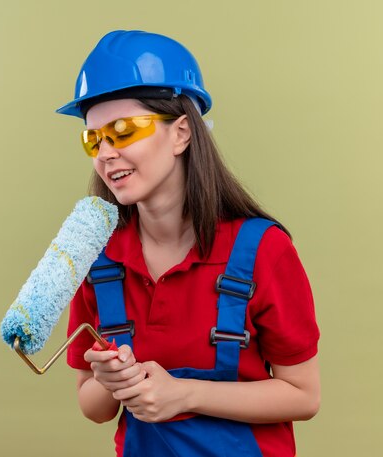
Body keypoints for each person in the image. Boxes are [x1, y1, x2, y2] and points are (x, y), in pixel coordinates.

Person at [59, 30, 320, 457]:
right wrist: (111, 381)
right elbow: (93, 406)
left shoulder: (263, 251)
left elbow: (304, 395)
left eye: (123, 130)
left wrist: (184, 395)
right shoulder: (99, 259)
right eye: (93, 138)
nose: (105, 152)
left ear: (182, 133)